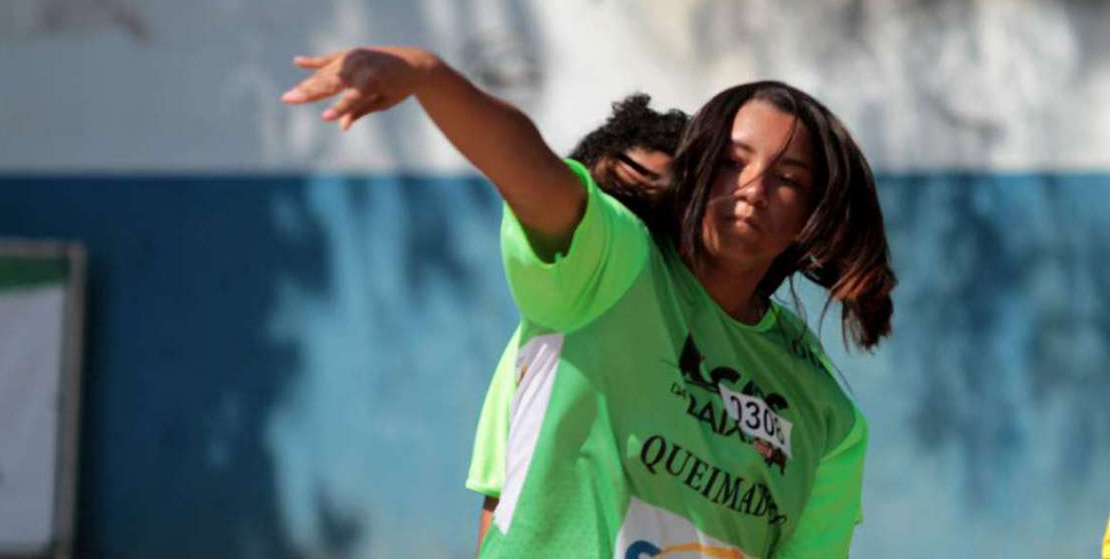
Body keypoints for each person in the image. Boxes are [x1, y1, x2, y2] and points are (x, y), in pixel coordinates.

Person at [282, 46, 896, 558]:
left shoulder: (827, 416)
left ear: (812, 217)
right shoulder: (612, 265)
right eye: (734, 163)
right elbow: (529, 167)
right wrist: (427, 75)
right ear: (697, 167)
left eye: (788, 180)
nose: (754, 190)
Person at [466, 94, 687, 550]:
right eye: (613, 207)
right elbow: (501, 497)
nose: (625, 229)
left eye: (657, 213)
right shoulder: (539, 352)